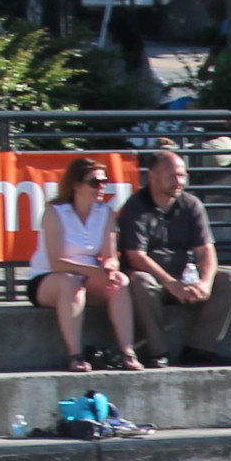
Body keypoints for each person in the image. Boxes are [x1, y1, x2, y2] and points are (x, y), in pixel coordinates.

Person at [116, 148, 231, 367]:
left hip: (184, 276)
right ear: (153, 176)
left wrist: (205, 282)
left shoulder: (191, 204)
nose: (179, 181)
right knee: (140, 282)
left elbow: (205, 250)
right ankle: (157, 352)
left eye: (182, 175)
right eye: (172, 175)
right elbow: (135, 256)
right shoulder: (136, 206)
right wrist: (171, 283)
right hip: (153, 278)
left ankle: (199, 349)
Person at [25, 157, 138, 371]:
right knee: (71, 282)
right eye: (94, 182)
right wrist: (93, 271)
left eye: (104, 181)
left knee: (120, 282)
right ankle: (75, 355)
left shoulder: (105, 213)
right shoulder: (55, 212)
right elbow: (57, 262)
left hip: (88, 277)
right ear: (76, 185)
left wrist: (110, 267)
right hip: (49, 279)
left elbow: (110, 254)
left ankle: (127, 352)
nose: (101, 187)